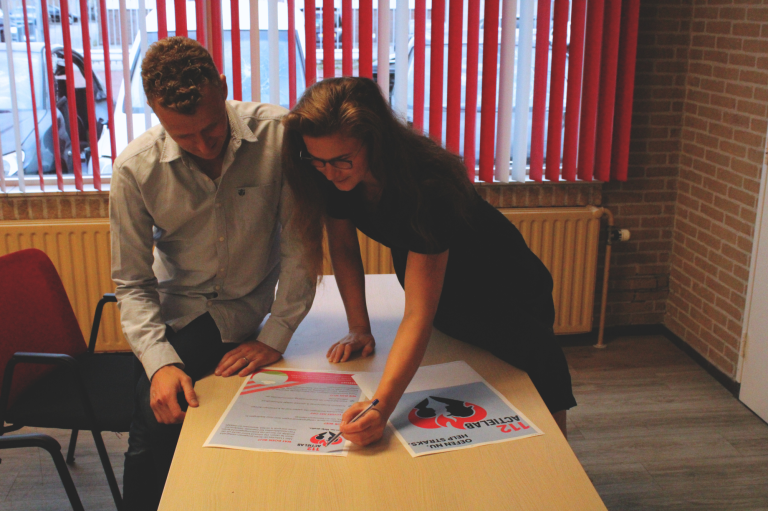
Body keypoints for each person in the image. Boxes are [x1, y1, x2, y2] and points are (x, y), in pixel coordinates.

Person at [282, 76, 576, 447]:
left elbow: (418, 314)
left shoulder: (427, 185)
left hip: (501, 283)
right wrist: (359, 327)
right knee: (479, 391)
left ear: (375, 141)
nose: (329, 171)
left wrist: (379, 407)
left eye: (341, 160)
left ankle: (561, 470)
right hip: (445, 291)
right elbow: (343, 249)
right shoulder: (328, 169)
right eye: (318, 161)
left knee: (533, 390)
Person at [110, 37, 315, 510]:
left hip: (245, 310)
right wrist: (160, 362)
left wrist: (278, 333)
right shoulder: (134, 169)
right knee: (156, 418)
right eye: (184, 136)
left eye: (211, 128)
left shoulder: (279, 136)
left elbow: (300, 244)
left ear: (222, 88)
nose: (204, 145)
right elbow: (133, 283)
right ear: (155, 113)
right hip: (179, 315)